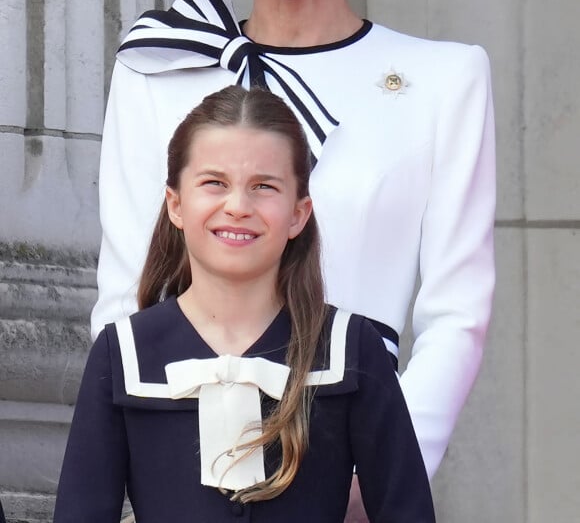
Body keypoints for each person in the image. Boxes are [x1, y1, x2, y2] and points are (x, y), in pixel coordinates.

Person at [91, 0, 495, 492]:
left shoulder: (447, 81)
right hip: (189, 445)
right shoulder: (157, 70)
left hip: (357, 446)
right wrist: (148, 466)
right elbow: (121, 296)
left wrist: (380, 474)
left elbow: (457, 315)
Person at [55, 86, 435, 522]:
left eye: (264, 186)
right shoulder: (122, 352)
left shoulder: (351, 348)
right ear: (176, 204)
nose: (237, 206)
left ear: (298, 213)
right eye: (214, 183)